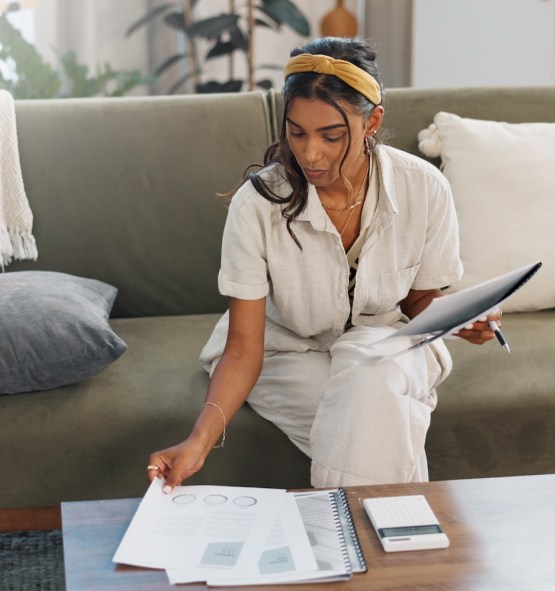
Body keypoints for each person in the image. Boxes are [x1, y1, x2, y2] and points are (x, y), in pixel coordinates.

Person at [147, 37, 500, 491]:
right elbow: (242, 349)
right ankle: (397, 545)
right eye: (297, 132)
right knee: (378, 410)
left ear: (372, 121)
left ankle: (340, 546)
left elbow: (418, 301)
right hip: (288, 356)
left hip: (387, 346)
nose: (310, 154)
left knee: (373, 366)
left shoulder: (425, 188)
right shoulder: (256, 206)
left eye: (331, 136)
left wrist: (462, 320)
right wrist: (197, 443)